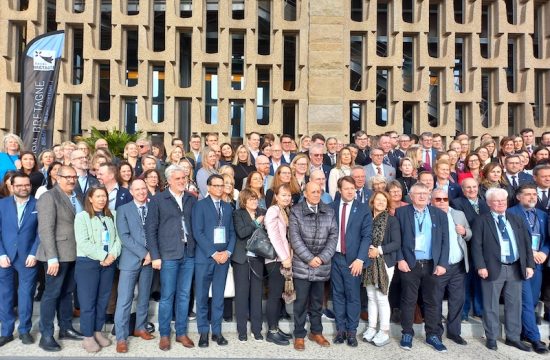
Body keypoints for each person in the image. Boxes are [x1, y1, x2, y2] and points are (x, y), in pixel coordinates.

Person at [471, 187, 535, 352]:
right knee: (490, 304)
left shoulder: (516, 219)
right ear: (489, 203)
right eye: (496, 201)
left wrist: (529, 265)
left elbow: (526, 244)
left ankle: (513, 337)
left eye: (503, 200)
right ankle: (491, 337)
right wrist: (481, 266)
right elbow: (476, 246)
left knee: (514, 304)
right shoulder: (481, 220)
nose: (500, 203)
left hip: (515, 267)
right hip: (492, 268)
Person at [146, 165, 197, 350]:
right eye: (178, 179)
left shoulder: (191, 199)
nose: (182, 181)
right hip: (168, 255)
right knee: (168, 296)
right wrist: (155, 255)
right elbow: (150, 229)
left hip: (188, 254)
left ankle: (181, 333)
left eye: (184, 178)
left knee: (184, 296)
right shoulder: (158, 200)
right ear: (168, 181)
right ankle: (165, 334)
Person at [395, 183, 449, 352]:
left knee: (432, 301)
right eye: (418, 194)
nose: (422, 196)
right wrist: (400, 259)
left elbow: (445, 242)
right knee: (408, 300)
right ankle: (407, 333)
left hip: (432, 265)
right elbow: (396, 239)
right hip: (409, 264)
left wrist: (442, 263)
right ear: (410, 196)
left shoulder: (439, 214)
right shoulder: (401, 213)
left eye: (425, 193)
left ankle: (433, 335)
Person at [36, 165, 84, 352]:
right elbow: (45, 230)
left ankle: (65, 328)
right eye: (67, 177)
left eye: (74, 177)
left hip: (74, 253)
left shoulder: (78, 196)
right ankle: (46, 334)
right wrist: (52, 258)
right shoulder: (49, 197)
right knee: (51, 294)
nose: (72, 180)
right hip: (56, 256)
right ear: (57, 177)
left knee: (67, 293)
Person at [289, 182, 338, 351]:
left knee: (317, 302)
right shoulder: (296, 211)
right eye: (313, 192)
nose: (316, 194)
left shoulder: (329, 211)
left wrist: (322, 258)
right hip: (303, 265)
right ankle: (300, 335)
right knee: (301, 303)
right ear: (305, 193)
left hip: (321, 266)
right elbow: (294, 238)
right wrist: (310, 258)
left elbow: (333, 237)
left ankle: (316, 332)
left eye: (319, 192)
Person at [74, 186, 121, 353]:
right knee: (88, 302)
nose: (102, 199)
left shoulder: (112, 216)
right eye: (98, 196)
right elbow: (83, 242)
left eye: (104, 196)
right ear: (91, 199)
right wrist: (103, 256)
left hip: (108, 264)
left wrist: (112, 256)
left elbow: (118, 239)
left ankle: (97, 331)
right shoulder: (82, 217)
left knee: (103, 300)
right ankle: (87, 336)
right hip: (88, 263)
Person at [192, 174, 236, 347]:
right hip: (205, 258)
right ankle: (203, 332)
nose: (219, 188)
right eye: (215, 185)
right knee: (202, 297)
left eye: (221, 185)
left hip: (223, 258)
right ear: (208, 187)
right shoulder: (200, 206)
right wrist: (213, 253)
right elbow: (198, 232)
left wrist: (228, 251)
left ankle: (216, 332)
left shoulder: (227, 207)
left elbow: (232, 232)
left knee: (218, 297)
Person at [506, 184, 549, 353]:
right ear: (518, 197)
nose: (532, 197)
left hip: (538, 263)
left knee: (531, 301)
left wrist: (544, 252)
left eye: (534, 194)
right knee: (525, 300)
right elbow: (510, 239)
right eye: (528, 194)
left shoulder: (543, 215)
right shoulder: (510, 214)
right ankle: (534, 338)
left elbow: (547, 239)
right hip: (520, 264)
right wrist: (530, 252)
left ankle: (526, 331)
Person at [330, 176, 372, 347]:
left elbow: (366, 236)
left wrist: (360, 259)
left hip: (353, 260)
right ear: (339, 190)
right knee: (338, 295)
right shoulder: (330, 208)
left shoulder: (363, 209)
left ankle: (352, 331)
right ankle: (340, 330)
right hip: (334, 258)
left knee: (353, 296)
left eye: (352, 188)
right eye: (346, 188)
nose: (349, 191)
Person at [114, 179, 155, 353]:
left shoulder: (153, 208)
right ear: (131, 191)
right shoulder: (123, 210)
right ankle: (121, 338)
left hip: (150, 260)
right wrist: (144, 253)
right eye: (137, 189)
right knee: (124, 300)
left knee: (144, 297)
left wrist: (152, 253)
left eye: (143, 188)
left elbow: (157, 232)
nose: (141, 192)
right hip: (131, 260)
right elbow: (124, 236)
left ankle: (140, 328)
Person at [0, 173, 39, 347]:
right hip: (5, 257)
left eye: (27, 185)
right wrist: (1, 254)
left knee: (26, 295)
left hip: (27, 258)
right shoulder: (2, 204)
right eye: (20, 185)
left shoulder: (38, 204)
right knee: (5, 295)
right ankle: (6, 332)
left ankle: (24, 330)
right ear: (12, 186)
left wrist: (33, 253)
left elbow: (41, 232)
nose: (24, 188)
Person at [430, 188, 471, 345]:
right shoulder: (429, 215)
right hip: (439, 266)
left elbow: (470, 234)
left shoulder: (458, 214)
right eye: (438, 199)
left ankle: (455, 332)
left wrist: (464, 232)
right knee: (436, 300)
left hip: (458, 266)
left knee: (457, 300)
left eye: (444, 199)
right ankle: (436, 332)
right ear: (431, 201)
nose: (442, 202)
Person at [362, 190, 401, 346]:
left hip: (384, 262)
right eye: (378, 200)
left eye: (383, 201)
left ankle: (384, 331)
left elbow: (397, 243)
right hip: (369, 261)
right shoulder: (367, 219)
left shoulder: (391, 220)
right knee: (371, 296)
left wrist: (379, 250)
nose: (380, 203)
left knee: (381, 296)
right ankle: (372, 327)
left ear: (387, 203)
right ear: (373, 202)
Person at [450, 177, 490, 321]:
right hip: (466, 246)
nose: (472, 190)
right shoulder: (457, 203)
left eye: (474, 187)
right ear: (462, 189)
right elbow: (462, 224)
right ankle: (463, 312)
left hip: (483, 249)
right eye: (468, 187)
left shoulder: (485, 203)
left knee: (481, 280)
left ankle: (479, 310)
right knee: (465, 281)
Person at [232, 189, 267, 341]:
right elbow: (241, 232)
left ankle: (257, 329)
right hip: (242, 259)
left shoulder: (263, 211)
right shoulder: (238, 214)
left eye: (255, 199)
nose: (254, 202)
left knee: (256, 294)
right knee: (241, 295)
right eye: (251, 199)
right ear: (244, 201)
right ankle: (242, 331)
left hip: (258, 258)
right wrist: (256, 223)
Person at [264, 184, 294, 346]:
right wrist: (285, 257)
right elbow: (274, 235)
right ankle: (271, 332)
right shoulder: (273, 210)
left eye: (288, 195)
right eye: (283, 195)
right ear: (276, 196)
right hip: (275, 260)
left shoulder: (283, 211)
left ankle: (275, 327)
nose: (287, 198)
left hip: (281, 258)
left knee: (277, 296)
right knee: (274, 296)